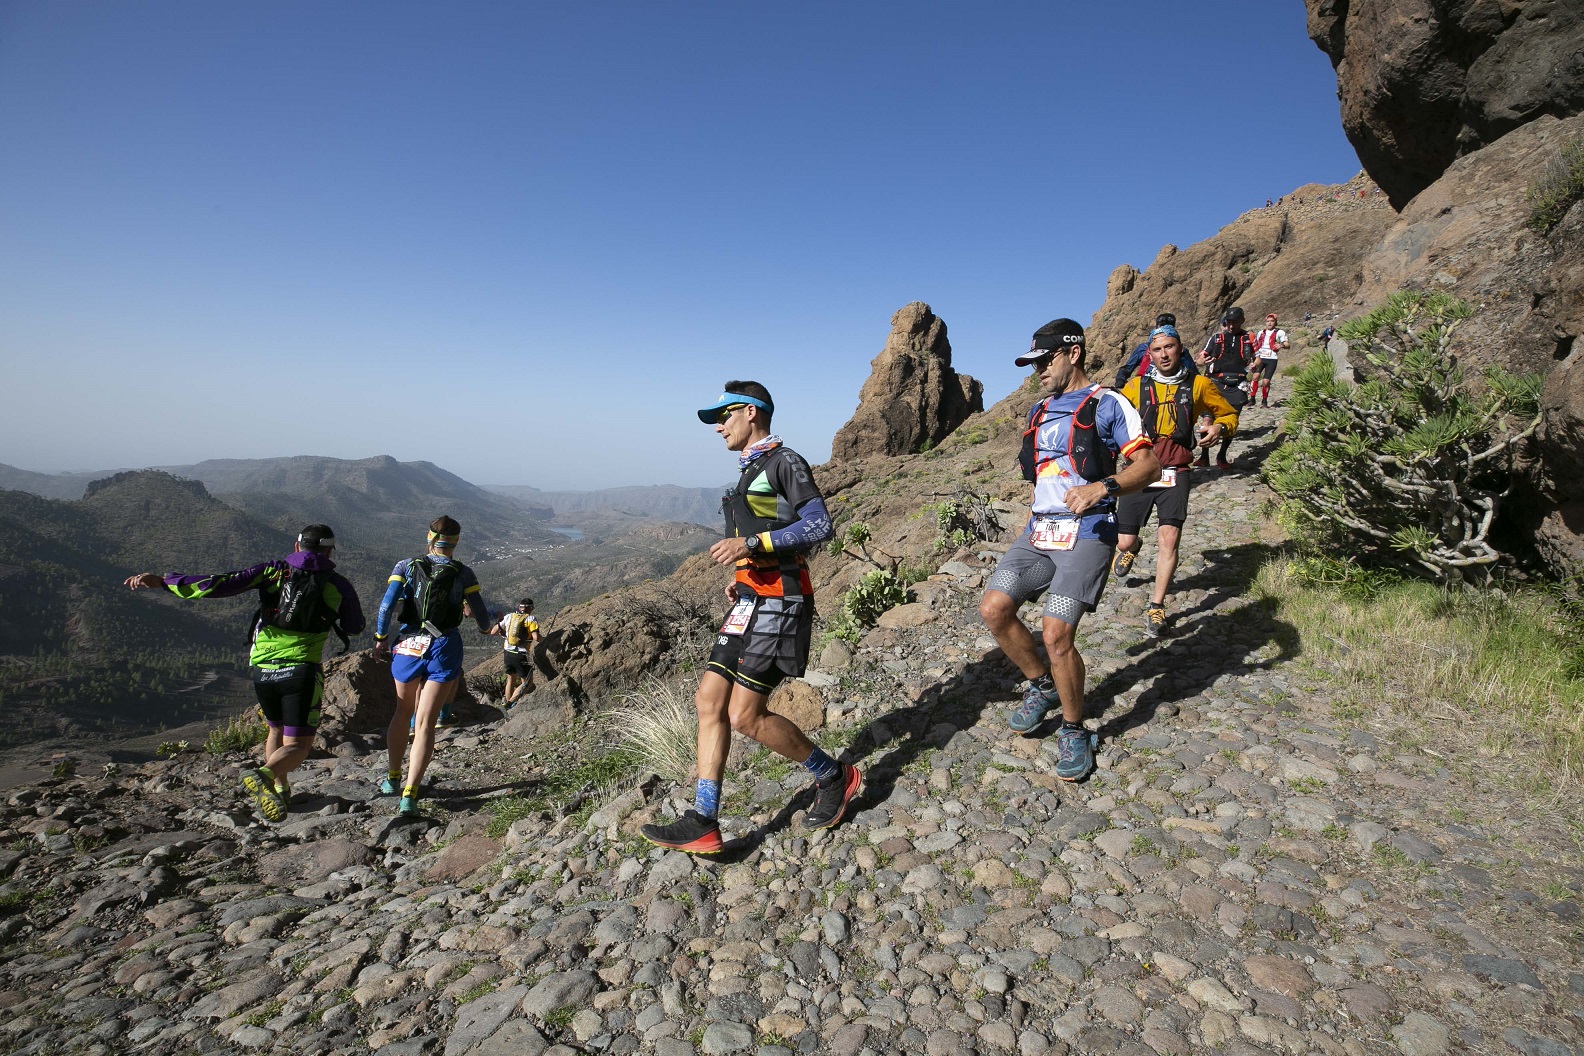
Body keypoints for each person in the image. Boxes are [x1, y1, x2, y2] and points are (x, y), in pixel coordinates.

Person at [639, 381, 854, 854]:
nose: (719, 426)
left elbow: (819, 524)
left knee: (744, 715)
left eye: (726, 415)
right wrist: (741, 571)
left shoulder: (785, 461)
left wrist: (750, 546)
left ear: (752, 412)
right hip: (748, 602)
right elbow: (763, 527)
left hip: (782, 603)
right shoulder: (749, 470)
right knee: (708, 701)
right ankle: (703, 819)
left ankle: (834, 775)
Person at [979, 319, 1160, 782]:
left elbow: (1149, 464)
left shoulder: (1108, 404)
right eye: (1033, 363)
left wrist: (1105, 486)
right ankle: (1042, 686)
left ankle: (1075, 728)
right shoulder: (1038, 411)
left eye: (1044, 360)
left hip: (1089, 532)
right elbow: (1043, 478)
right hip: (1040, 532)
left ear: (1072, 353)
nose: (1038, 370)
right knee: (994, 609)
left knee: (1056, 633)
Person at [124, 524, 364, 822]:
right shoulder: (338, 585)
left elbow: (220, 584)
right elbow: (355, 626)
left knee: (275, 729)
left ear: (297, 545)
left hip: (262, 668)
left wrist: (164, 582)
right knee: (299, 746)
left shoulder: (273, 571)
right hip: (301, 671)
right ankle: (265, 775)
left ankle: (280, 789)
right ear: (329, 551)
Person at [1113, 327, 1240, 636]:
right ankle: (1132, 546)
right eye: (1158, 350)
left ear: (1180, 348)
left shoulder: (1199, 385)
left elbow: (1228, 413)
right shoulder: (1135, 387)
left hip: (1176, 471)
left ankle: (1156, 607)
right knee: (1124, 541)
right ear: (1150, 354)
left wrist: (1220, 429)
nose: (1164, 354)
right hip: (1139, 470)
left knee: (1169, 538)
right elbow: (1111, 417)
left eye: (1170, 347)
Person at [372, 515, 496, 816]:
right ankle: (410, 796)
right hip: (444, 647)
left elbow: (387, 605)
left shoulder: (406, 566)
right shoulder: (463, 572)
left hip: (409, 644)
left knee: (403, 712)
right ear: (455, 542)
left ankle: (392, 779)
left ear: (429, 537)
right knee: (426, 723)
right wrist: (482, 628)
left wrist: (380, 638)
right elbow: (480, 615)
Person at [1196, 307, 1256, 469]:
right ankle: (1204, 456)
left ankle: (1222, 456)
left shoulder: (1249, 339)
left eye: (1235, 322)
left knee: (1232, 419)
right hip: (1215, 383)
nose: (1231, 326)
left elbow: (1257, 359)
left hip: (1238, 384)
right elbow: (1200, 359)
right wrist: (1203, 361)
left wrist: (1253, 366)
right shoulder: (1216, 338)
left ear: (1242, 321)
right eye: (1228, 323)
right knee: (1207, 418)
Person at [1113, 312, 1195, 388]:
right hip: (1145, 389)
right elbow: (1127, 368)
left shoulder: (1181, 351)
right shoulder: (1143, 348)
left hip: (1173, 388)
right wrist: (1120, 380)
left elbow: (1193, 373)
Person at [490, 598, 540, 705]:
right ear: (530, 608)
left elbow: (493, 631)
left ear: (519, 607)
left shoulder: (509, 616)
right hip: (521, 654)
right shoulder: (530, 618)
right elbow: (536, 637)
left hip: (507, 652)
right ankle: (511, 704)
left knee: (510, 680)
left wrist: (504, 633)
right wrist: (545, 639)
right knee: (526, 682)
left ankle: (507, 704)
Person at [1249, 312, 1289, 407]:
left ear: (1275, 322)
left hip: (1272, 359)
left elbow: (1288, 345)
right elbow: (1256, 346)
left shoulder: (1280, 333)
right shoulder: (1260, 333)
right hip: (1261, 358)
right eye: (1268, 321)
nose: (1269, 323)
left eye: (1272, 321)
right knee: (1255, 377)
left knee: (1265, 382)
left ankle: (1264, 401)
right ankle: (1252, 399)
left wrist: (1281, 345)